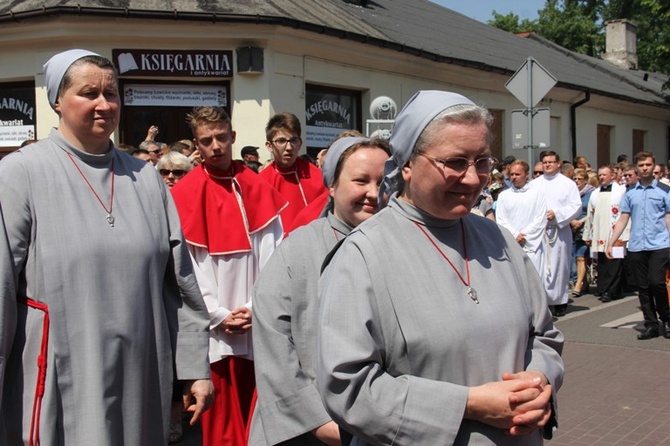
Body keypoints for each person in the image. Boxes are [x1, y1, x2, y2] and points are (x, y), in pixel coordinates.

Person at [317, 90, 564, 445]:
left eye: (482, 161)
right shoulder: (362, 255)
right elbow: (346, 386)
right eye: (455, 162)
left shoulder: (500, 240)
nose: (473, 178)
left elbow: (544, 337)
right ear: (407, 165)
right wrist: (468, 405)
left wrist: (541, 383)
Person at [0, 49, 213, 445]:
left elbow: (180, 286)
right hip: (59, 377)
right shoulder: (20, 174)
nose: (104, 104)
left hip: (141, 377)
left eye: (111, 94)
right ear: (57, 102)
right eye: (89, 93)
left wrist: (193, 367)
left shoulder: (146, 179)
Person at [249, 136, 390, 446]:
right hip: (308, 430)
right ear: (332, 186)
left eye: (383, 181)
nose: (374, 193)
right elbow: (274, 343)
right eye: (361, 181)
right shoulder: (296, 250)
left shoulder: (401, 246)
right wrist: (316, 421)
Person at [171, 106, 287, 445]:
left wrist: (255, 306)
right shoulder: (185, 192)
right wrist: (217, 314)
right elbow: (186, 266)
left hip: (256, 324)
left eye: (222, 137)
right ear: (197, 144)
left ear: (233, 136)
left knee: (259, 418)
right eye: (207, 141)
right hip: (213, 331)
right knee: (219, 423)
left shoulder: (257, 187)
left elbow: (274, 256)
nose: (216, 146)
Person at [607, 151, 670, 340]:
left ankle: (666, 319)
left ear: (654, 166)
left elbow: (668, 218)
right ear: (637, 167)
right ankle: (650, 324)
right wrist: (611, 242)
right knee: (642, 287)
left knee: (656, 282)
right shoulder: (630, 192)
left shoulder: (664, 190)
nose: (645, 168)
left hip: (659, 244)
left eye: (648, 165)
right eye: (641, 165)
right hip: (637, 246)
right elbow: (623, 218)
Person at [533, 151, 581, 317]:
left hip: (559, 231)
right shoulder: (535, 184)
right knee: (541, 266)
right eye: (544, 162)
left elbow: (576, 206)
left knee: (559, 265)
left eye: (551, 162)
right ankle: (544, 301)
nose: (547, 165)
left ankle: (560, 300)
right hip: (540, 232)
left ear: (558, 163)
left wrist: (557, 214)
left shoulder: (567, 184)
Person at [259, 112, 327, 228]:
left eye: (293, 140)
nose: (289, 148)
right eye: (281, 141)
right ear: (269, 146)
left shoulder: (317, 176)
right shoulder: (261, 182)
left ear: (300, 143)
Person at [583, 165, 628, 302]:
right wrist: (587, 234)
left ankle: (612, 291)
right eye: (600, 175)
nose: (601, 177)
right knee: (602, 262)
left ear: (612, 176)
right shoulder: (595, 193)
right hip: (599, 232)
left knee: (615, 262)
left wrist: (625, 234)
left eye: (604, 174)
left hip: (616, 232)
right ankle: (603, 288)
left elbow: (626, 214)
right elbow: (590, 215)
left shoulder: (621, 191)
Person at [496, 160, 547, 275]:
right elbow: (501, 219)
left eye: (517, 174)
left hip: (532, 245)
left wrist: (524, 235)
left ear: (526, 175)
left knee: (533, 279)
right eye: (512, 174)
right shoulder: (504, 195)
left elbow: (540, 218)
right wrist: (514, 235)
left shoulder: (537, 193)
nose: (514, 177)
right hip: (511, 244)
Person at [569, 168, 595, 297]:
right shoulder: (571, 193)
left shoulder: (591, 193)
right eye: (575, 179)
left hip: (585, 226)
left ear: (586, 180)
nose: (577, 181)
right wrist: (572, 220)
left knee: (581, 256)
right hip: (572, 227)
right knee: (576, 256)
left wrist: (581, 221)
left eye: (580, 179)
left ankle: (578, 285)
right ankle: (584, 283)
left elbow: (592, 210)